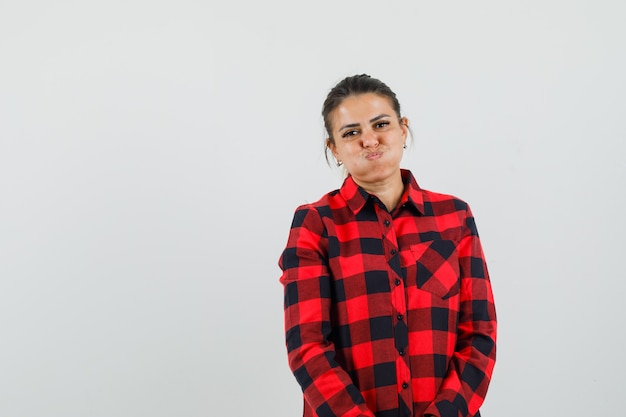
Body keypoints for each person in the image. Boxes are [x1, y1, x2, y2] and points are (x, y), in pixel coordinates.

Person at [278, 74, 496, 417]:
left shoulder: (454, 217)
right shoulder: (316, 225)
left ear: (403, 129)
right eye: (351, 132)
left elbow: (479, 336)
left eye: (381, 124)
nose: (369, 139)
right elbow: (308, 348)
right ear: (333, 148)